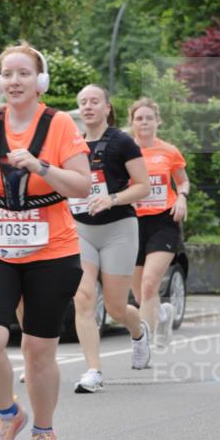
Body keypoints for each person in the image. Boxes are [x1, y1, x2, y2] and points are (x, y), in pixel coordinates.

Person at [0, 43, 90, 440]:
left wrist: (40, 167)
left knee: (38, 350)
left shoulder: (60, 126)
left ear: (40, 82)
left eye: (23, 73)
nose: (14, 81)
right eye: (7, 74)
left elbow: (81, 186)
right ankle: (8, 415)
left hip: (52, 249)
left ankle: (44, 431)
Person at [71, 85, 152, 390]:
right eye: (83, 102)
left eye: (95, 101)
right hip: (81, 230)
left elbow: (143, 186)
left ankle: (138, 332)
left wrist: (113, 198)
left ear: (107, 107)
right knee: (83, 297)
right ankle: (93, 371)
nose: (88, 106)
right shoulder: (72, 143)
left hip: (118, 228)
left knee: (117, 308)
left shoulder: (122, 141)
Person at [129, 97, 190, 351]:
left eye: (148, 118)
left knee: (149, 284)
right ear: (132, 123)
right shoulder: (125, 150)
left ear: (158, 121)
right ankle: (163, 316)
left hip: (163, 220)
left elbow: (183, 181)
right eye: (139, 118)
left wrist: (183, 198)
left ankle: (142, 345)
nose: (144, 122)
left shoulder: (169, 151)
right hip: (131, 223)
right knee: (140, 294)